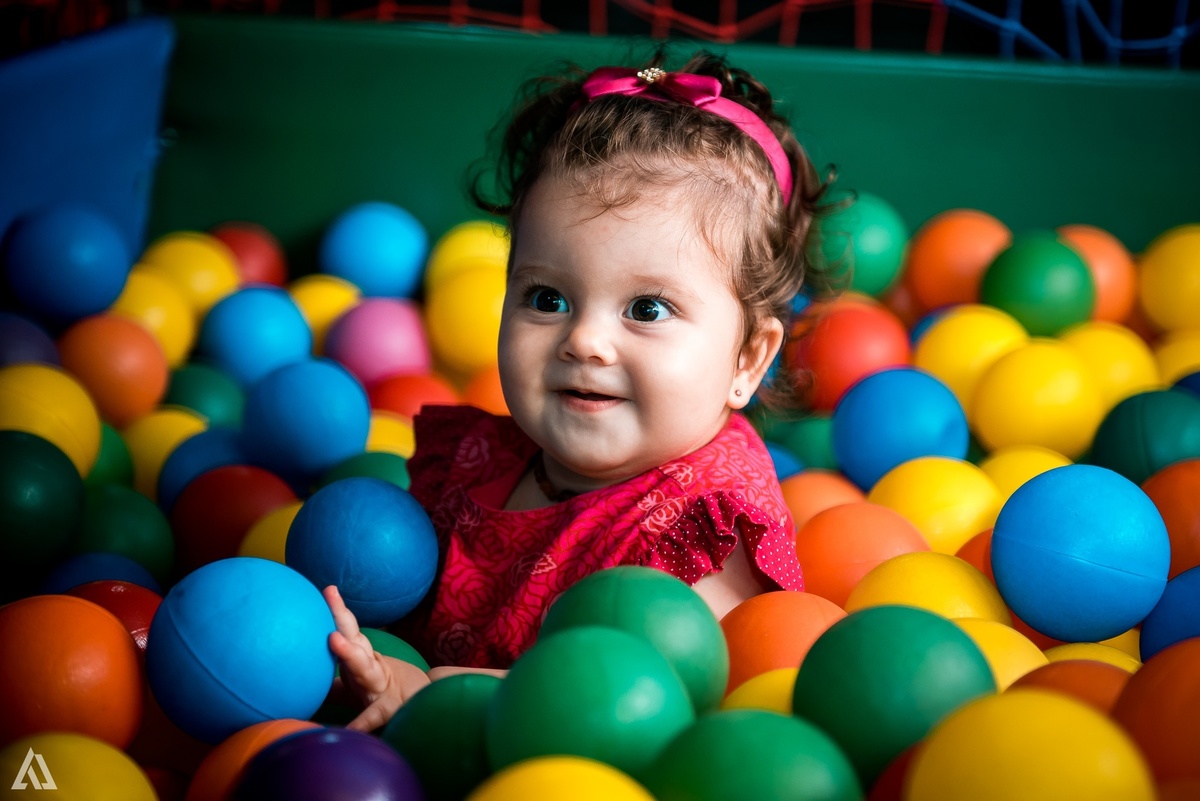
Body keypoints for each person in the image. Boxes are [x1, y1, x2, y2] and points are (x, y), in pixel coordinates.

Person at [326, 48, 838, 731]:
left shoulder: (706, 536)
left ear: (748, 358)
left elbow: (644, 707)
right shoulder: (484, 461)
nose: (585, 341)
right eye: (547, 296)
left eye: (646, 309)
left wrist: (429, 692)